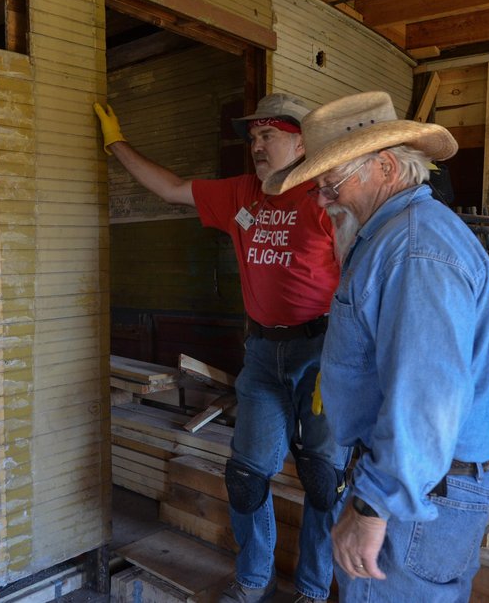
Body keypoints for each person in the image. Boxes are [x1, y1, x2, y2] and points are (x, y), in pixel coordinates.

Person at [95, 95, 349, 603]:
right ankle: (254, 580)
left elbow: (360, 279)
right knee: (247, 475)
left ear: (300, 139)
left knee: (324, 478)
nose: (255, 145)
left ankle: (315, 590)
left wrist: (349, 357)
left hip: (323, 352)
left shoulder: (325, 197)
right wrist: (115, 142)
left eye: (267, 135)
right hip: (262, 352)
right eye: (252, 137)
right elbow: (169, 188)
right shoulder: (241, 194)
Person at [262, 91, 489, 602]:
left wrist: (374, 504)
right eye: (318, 189)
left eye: (331, 185)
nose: (323, 200)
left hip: (415, 492)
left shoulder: (414, 249)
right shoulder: (397, 238)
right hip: (421, 484)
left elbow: (427, 398)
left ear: (387, 167)